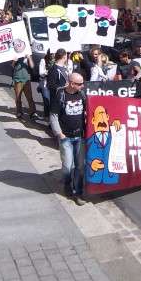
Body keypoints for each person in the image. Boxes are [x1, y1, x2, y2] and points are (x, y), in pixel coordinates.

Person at [49, 72, 87, 206]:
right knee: (67, 166)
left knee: (80, 166)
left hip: (80, 136)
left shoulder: (82, 94)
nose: (82, 86)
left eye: (82, 83)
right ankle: (67, 185)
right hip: (66, 138)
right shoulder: (60, 95)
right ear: (71, 84)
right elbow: (53, 116)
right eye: (79, 84)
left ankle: (78, 193)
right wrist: (60, 134)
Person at [11, 55, 38, 121]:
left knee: (29, 97)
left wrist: (29, 58)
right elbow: (12, 66)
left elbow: (32, 66)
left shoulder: (27, 55)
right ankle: (19, 112)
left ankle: (33, 112)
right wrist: (14, 60)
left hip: (26, 79)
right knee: (18, 97)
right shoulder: (15, 53)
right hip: (17, 79)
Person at [38, 49, 54, 120]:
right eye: (51, 54)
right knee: (46, 100)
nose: (52, 55)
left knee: (53, 101)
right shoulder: (43, 60)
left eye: (54, 54)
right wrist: (48, 72)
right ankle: (46, 115)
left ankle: (52, 117)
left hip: (53, 84)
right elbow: (41, 72)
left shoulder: (56, 61)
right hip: (45, 84)